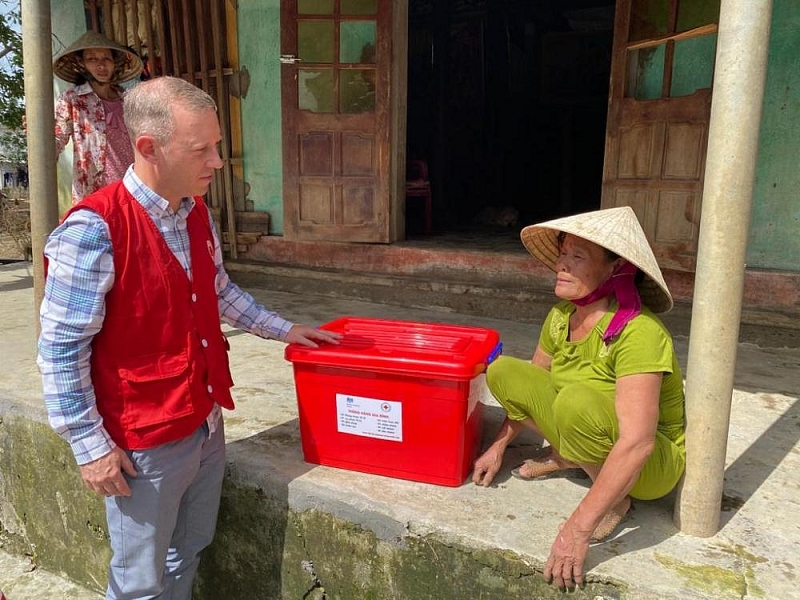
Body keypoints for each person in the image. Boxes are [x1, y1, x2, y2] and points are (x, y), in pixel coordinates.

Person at [37, 76, 341, 599]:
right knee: (139, 579)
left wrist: (285, 329)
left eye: (217, 145)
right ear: (149, 148)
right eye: (202, 149)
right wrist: (89, 447)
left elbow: (217, 289)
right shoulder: (94, 230)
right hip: (144, 441)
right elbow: (62, 349)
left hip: (203, 418)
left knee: (190, 546)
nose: (218, 161)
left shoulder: (194, 210)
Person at [471, 206, 685, 590]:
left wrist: (578, 530)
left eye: (577, 257)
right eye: (563, 254)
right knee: (504, 371)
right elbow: (532, 389)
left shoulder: (639, 332)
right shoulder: (560, 316)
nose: (562, 266)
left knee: (574, 402)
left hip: (651, 464)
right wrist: (499, 446)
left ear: (615, 269)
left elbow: (638, 443)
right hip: (589, 429)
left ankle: (615, 498)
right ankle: (569, 457)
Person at [52, 30, 143, 204]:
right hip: (95, 193)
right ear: (82, 64)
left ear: (114, 63)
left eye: (106, 58)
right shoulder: (72, 99)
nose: (101, 65)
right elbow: (56, 141)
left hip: (133, 188)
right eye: (92, 59)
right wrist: (36, 132)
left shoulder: (128, 100)